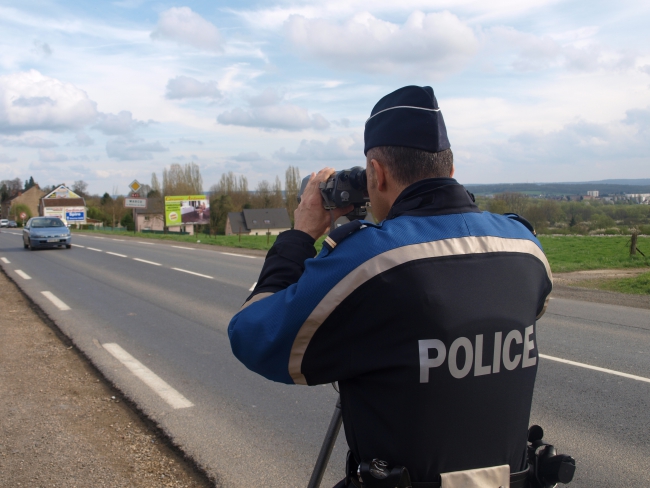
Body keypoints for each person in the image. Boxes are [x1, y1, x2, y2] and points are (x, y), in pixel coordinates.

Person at [228, 85, 553, 487]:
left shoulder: (369, 261)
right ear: (449, 169)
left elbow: (254, 336)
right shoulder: (525, 246)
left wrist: (299, 236)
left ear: (375, 175)